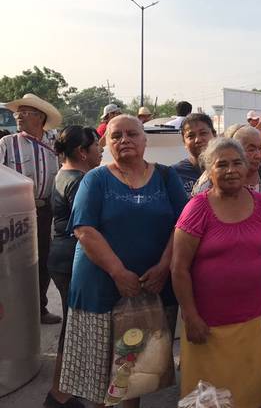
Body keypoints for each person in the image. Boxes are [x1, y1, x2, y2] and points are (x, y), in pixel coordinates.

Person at [59, 115, 187, 407]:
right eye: (116, 136)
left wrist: (165, 265)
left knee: (136, 372)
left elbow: (183, 227)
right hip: (101, 288)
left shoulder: (167, 177)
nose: (124, 140)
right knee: (103, 374)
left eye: (132, 134)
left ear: (145, 140)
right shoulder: (95, 179)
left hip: (153, 288)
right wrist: (117, 272)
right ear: (106, 143)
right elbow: (84, 230)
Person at [172, 137, 261, 408]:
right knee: (207, 397)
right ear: (209, 171)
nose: (231, 170)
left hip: (254, 322)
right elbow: (178, 267)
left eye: (237, 163)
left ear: (246, 166)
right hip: (207, 325)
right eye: (221, 164)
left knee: (251, 394)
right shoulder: (197, 209)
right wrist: (190, 316)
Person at [45, 126, 102, 408]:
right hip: (71, 259)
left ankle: (62, 392)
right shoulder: (82, 181)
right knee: (75, 327)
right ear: (83, 152)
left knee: (72, 324)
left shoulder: (63, 173)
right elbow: (88, 226)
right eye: (97, 146)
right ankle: (60, 394)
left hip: (59, 256)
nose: (101, 151)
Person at [0, 93, 63, 324]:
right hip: (16, 212)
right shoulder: (7, 143)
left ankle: (39, 309)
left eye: (24, 113)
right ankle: (13, 312)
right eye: (17, 113)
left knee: (42, 259)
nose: (18, 117)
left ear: (40, 118)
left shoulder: (56, 144)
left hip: (46, 210)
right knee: (14, 261)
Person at [173, 113, 216, 196]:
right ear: (184, 142)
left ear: (214, 135)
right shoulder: (175, 174)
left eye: (203, 133)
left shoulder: (228, 168)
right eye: (191, 136)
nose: (198, 140)